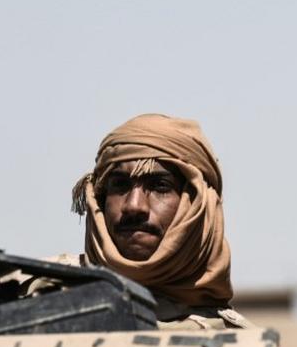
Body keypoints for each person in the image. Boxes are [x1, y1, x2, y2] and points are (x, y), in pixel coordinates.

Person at [63, 113, 252, 329]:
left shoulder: (240, 344)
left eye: (160, 186)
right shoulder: (37, 299)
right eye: (120, 185)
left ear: (198, 205)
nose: (134, 206)